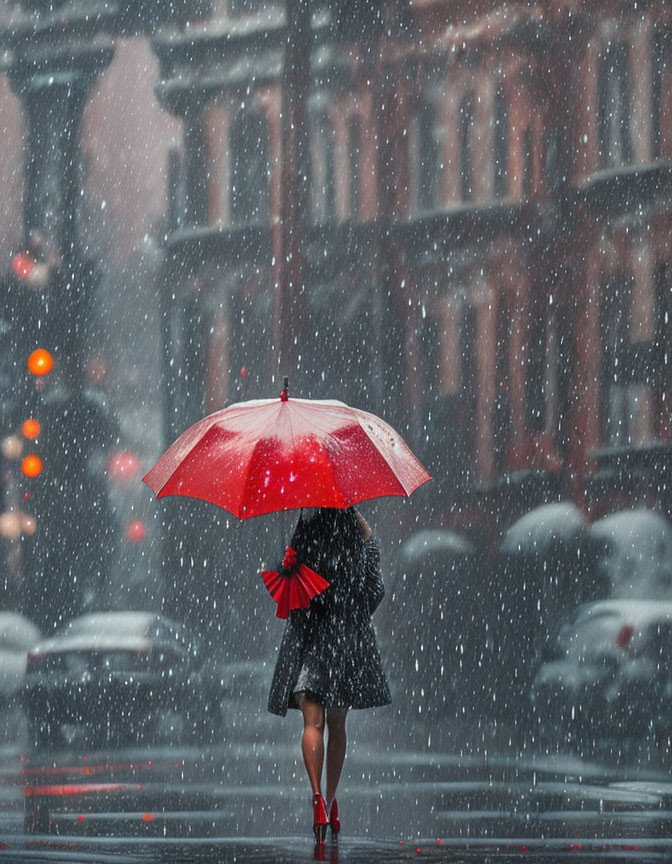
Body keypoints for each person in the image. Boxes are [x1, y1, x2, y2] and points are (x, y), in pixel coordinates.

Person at [267, 506, 391, 842]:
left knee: (312, 723)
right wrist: (351, 613)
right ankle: (332, 798)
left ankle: (317, 799)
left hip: (310, 640)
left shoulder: (304, 528)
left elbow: (292, 587)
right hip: (345, 642)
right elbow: (375, 589)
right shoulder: (358, 531)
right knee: (338, 725)